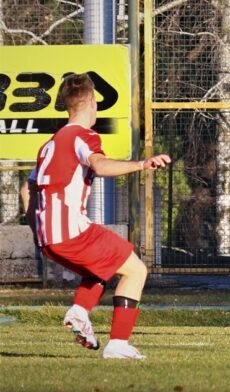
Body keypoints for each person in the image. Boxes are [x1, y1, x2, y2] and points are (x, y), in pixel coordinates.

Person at [26, 73, 171, 359]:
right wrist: (142, 163)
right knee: (136, 270)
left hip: (48, 237)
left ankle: (80, 311)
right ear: (92, 102)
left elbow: (27, 191)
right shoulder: (83, 136)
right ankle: (117, 344)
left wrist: (37, 234)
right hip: (71, 231)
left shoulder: (49, 146)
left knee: (104, 266)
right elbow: (100, 165)